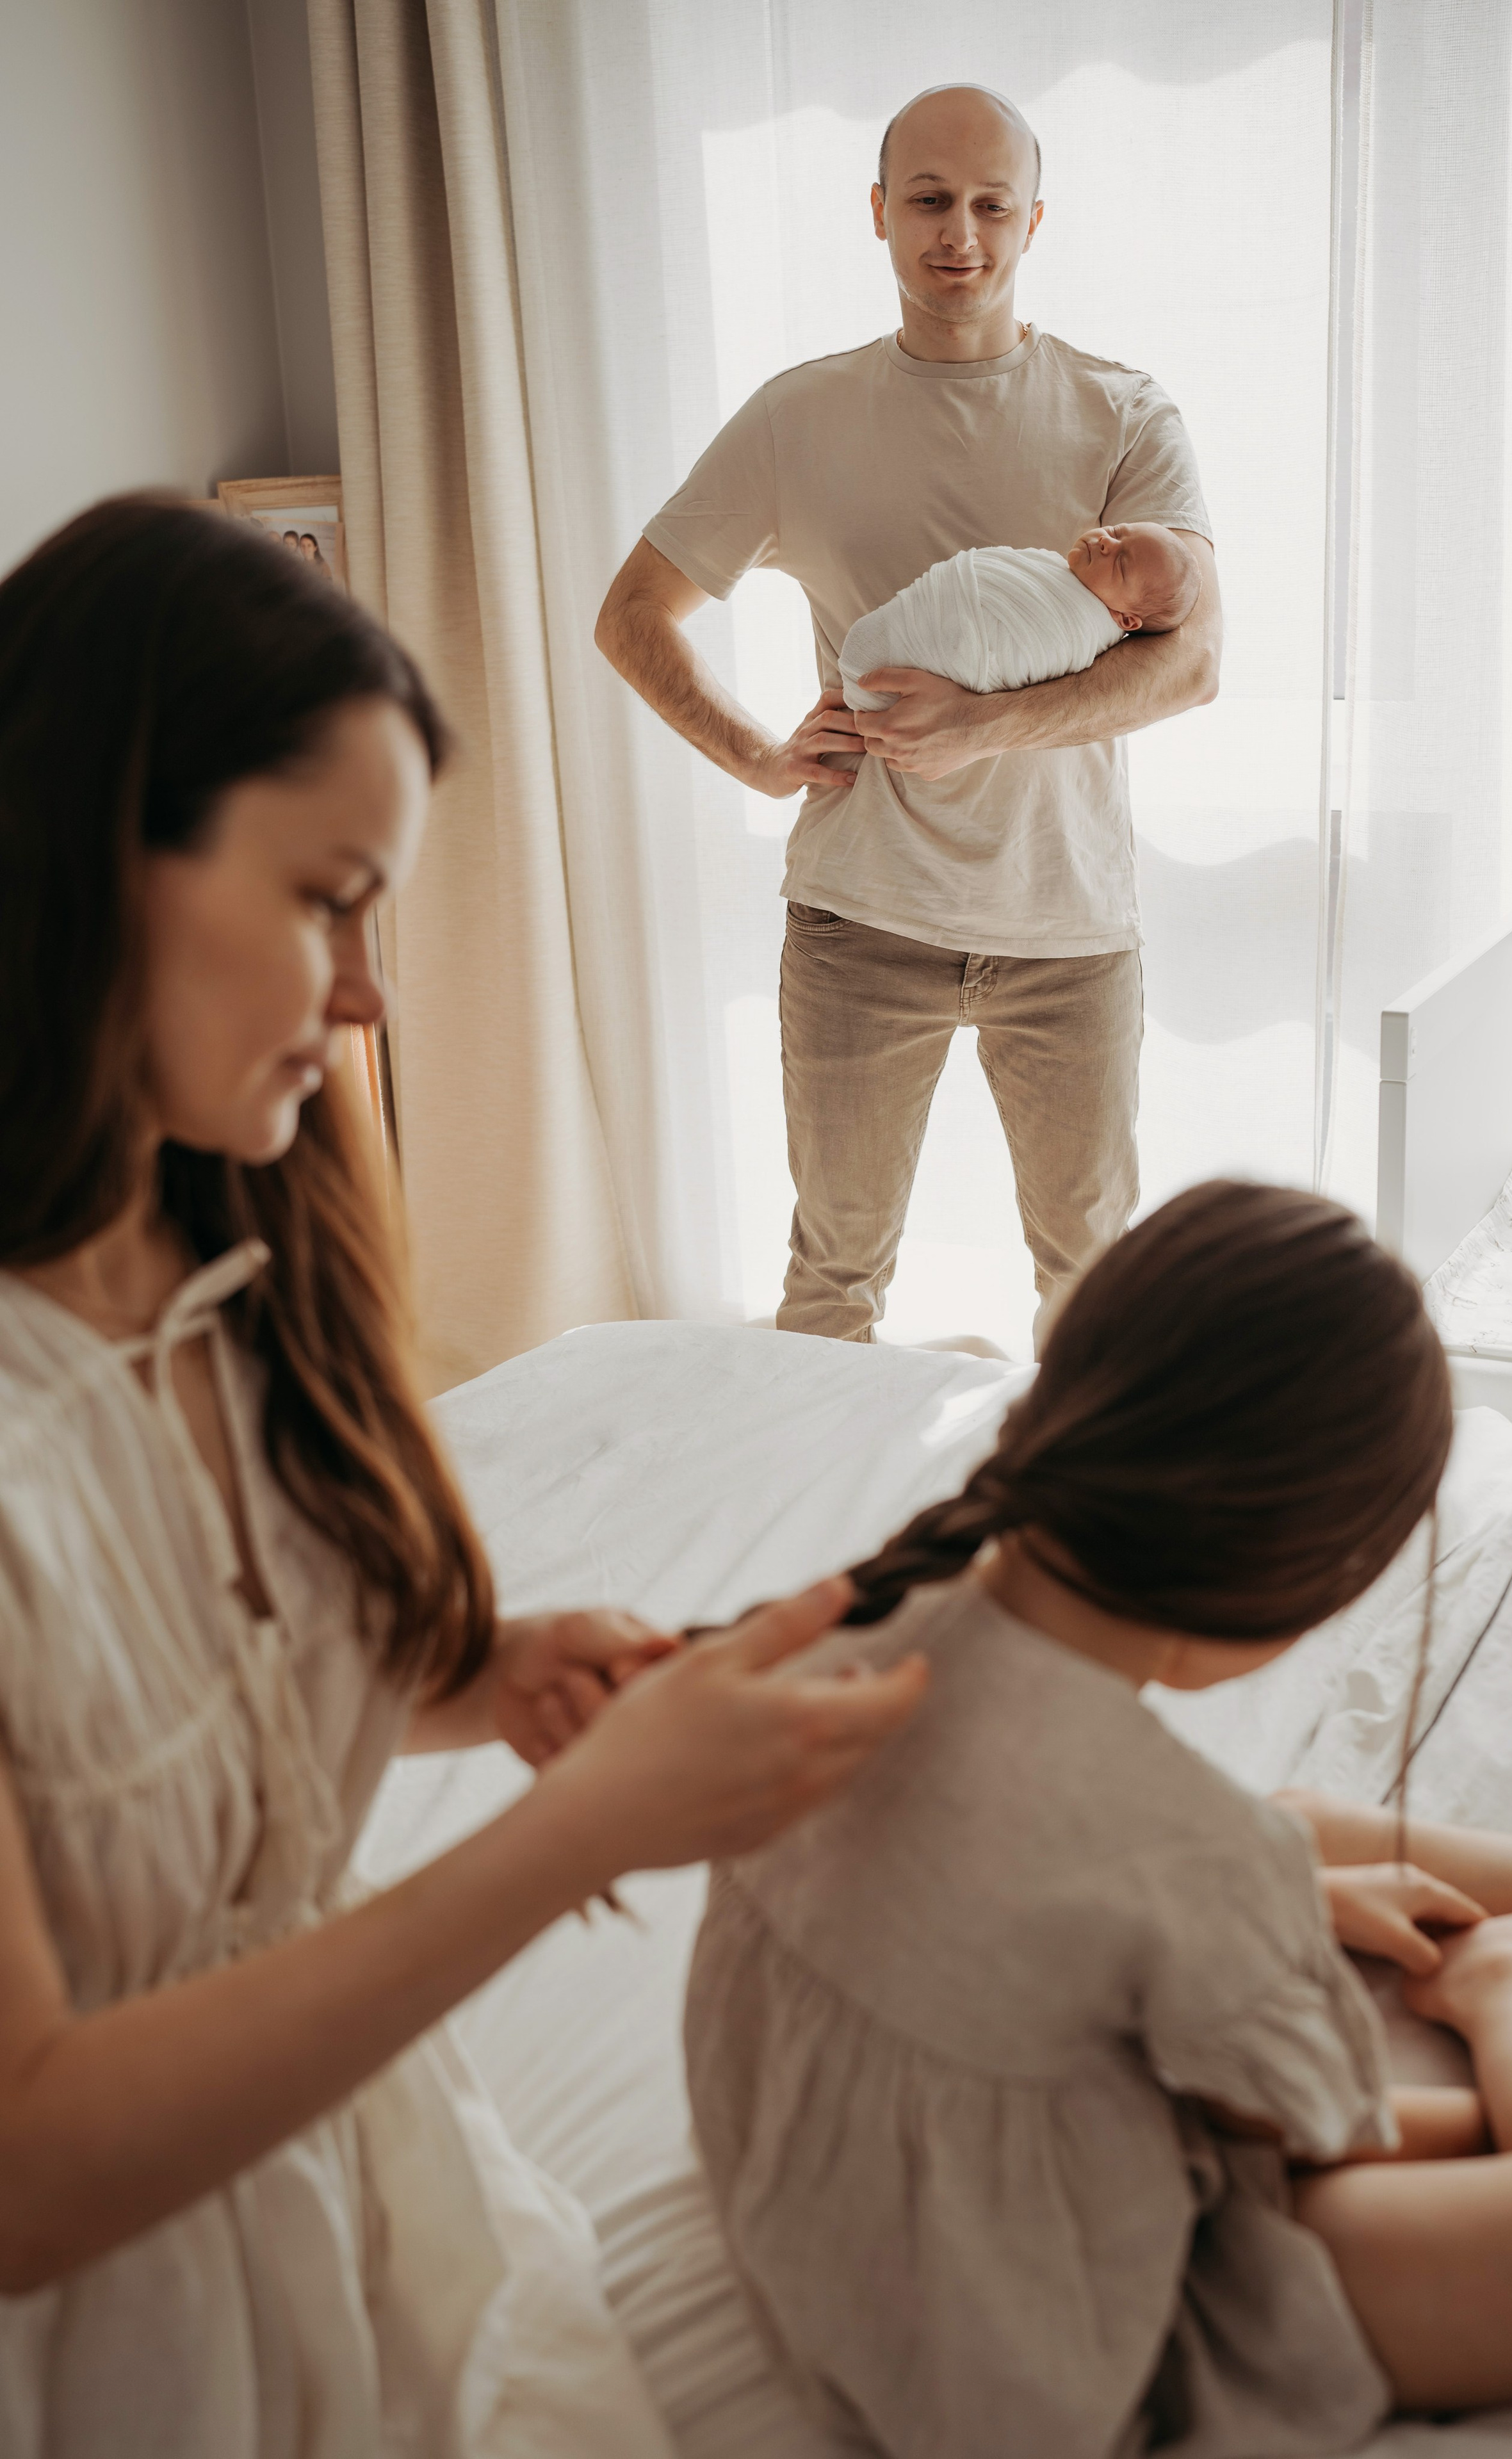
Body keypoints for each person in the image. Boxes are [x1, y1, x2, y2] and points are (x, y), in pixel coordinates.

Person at [0, 496, 929, 2458]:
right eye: (328, 898)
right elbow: (29, 2163)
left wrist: (487, 1675)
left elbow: (173, 1711)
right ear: (95, 855)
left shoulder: (231, 1274)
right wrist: (571, 1828)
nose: (368, 1000)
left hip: (345, 2202)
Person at [685, 1182, 1512, 2457]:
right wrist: (1507, 2056)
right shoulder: (1189, 1855)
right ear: (1294, 1582)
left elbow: (1034, 1902)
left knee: (1283, 1830)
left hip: (832, 2240)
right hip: (1056, 2341)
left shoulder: (846, 1634)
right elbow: (1316, 2133)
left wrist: (1276, 1894)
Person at [596, 85, 1221, 1350]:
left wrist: (981, 727)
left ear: (1033, 222)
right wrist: (759, 759)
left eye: (992, 205)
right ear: (879, 215)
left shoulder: (1124, 412)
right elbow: (634, 614)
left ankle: (1077, 1542)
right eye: (929, 201)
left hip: (1068, 928)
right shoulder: (796, 415)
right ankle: (820, 1539)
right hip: (856, 922)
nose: (960, 234)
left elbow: (1190, 664)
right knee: (830, 1290)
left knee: (1092, 1297)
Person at [839, 520, 1200, 712]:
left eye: (1121, 562)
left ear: (1127, 621)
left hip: (890, 690)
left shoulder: (1075, 636)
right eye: (1119, 532)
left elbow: (1011, 663)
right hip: (868, 671)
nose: (1107, 542)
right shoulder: (1054, 572)